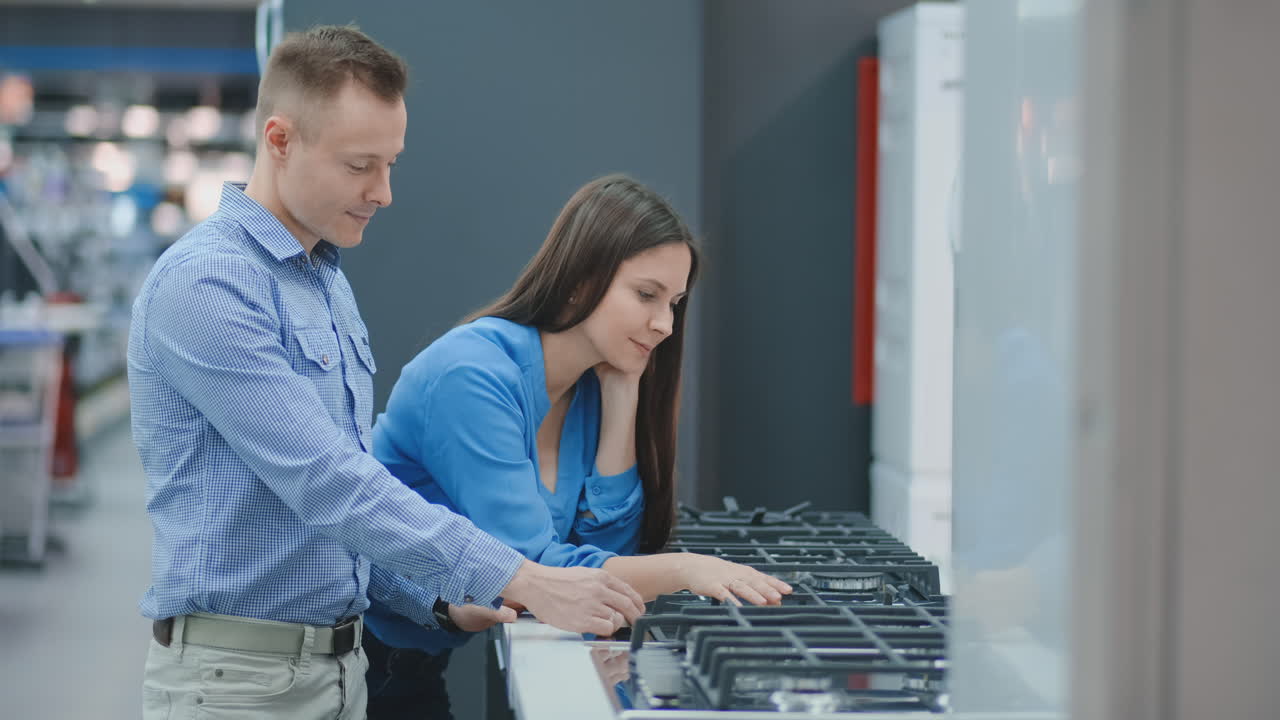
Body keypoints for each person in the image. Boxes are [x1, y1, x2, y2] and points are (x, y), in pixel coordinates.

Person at [128, 26, 643, 720]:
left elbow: (342, 515)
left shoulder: (323, 282)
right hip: (236, 684)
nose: (384, 191)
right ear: (280, 141)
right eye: (361, 165)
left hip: (340, 671)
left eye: (391, 163)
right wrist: (517, 574)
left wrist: (440, 602)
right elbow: (327, 483)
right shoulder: (206, 286)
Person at [361, 175, 793, 719]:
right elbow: (534, 570)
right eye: (646, 295)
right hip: (359, 660)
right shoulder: (472, 374)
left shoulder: (588, 385)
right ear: (580, 281)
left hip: (417, 656)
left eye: (675, 303)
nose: (664, 324)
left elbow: (606, 553)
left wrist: (623, 391)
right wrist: (687, 570)